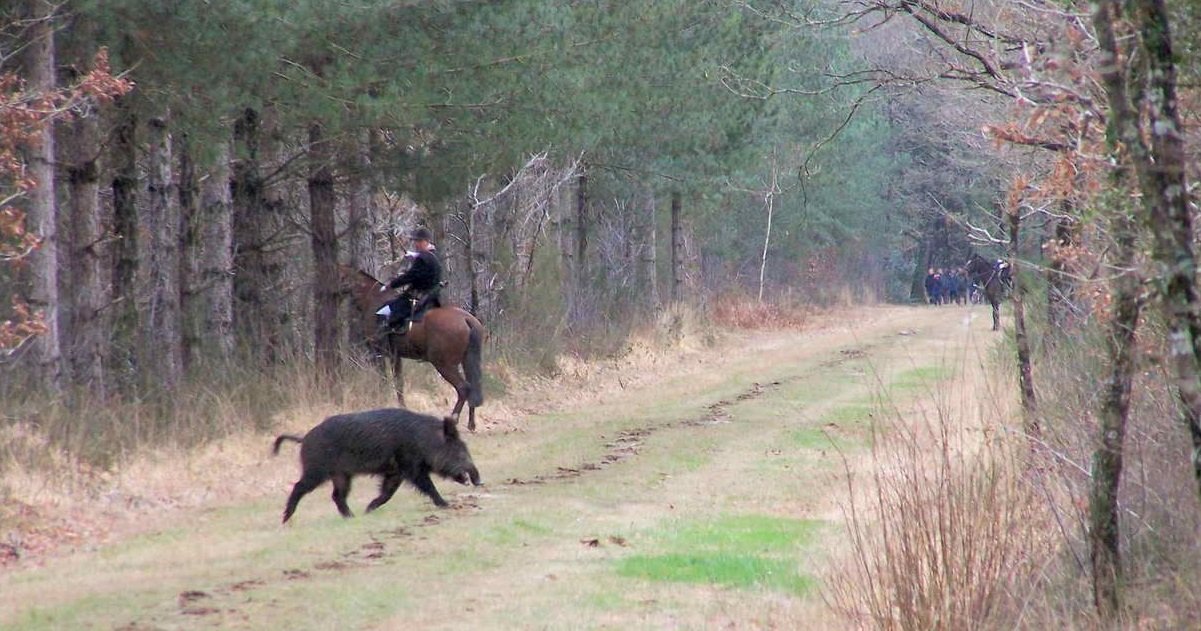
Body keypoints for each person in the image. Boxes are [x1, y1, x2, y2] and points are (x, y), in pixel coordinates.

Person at [378, 227, 443, 334]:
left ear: (426, 241)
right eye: (415, 241)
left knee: (383, 313)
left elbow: (409, 277)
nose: (416, 244)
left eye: (419, 241)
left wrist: (390, 285)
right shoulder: (433, 257)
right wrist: (415, 256)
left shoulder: (422, 259)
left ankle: (384, 344)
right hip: (432, 298)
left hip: (416, 297)